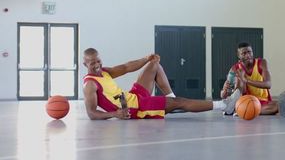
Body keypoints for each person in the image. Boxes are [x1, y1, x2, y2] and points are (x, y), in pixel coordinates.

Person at [82, 48, 239, 120]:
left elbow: (125, 67)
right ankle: (224, 105)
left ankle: (171, 102)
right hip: (135, 108)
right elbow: (91, 113)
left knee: (154, 65)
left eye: (98, 61)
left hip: (132, 97)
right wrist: (115, 114)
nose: (97, 65)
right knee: (180, 102)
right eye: (92, 63)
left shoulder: (104, 71)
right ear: (85, 65)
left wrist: (146, 59)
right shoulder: (90, 84)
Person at [220, 42, 280, 115]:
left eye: (249, 52)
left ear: (252, 53)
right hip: (243, 100)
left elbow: (268, 84)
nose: (248, 55)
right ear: (239, 56)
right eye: (244, 53)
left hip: (261, 101)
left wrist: (246, 80)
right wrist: (224, 93)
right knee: (239, 76)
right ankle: (241, 108)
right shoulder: (234, 69)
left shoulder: (261, 63)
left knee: (279, 105)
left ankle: (242, 110)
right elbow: (224, 94)